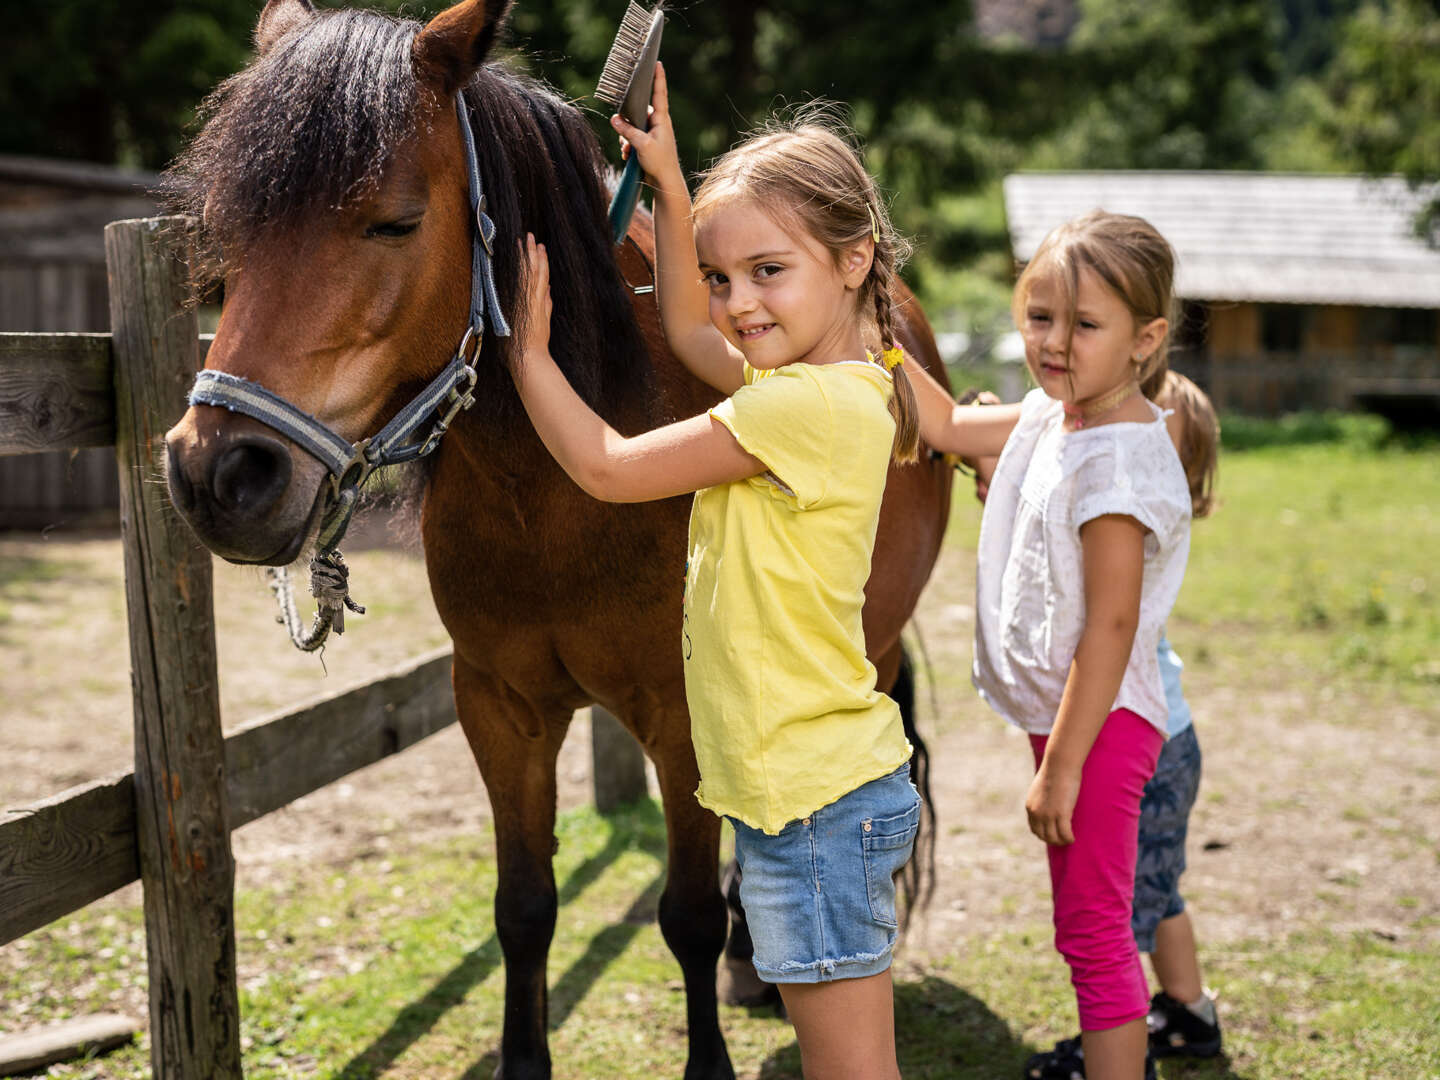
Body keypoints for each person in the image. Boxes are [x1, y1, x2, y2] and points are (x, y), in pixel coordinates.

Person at [511, 61, 921, 1079]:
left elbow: (606, 469)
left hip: (808, 806)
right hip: (828, 786)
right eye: (727, 274)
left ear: (858, 259)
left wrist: (527, 359)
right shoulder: (840, 388)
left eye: (769, 273)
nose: (738, 305)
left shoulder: (790, 410)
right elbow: (689, 330)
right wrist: (672, 185)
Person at [903, 210, 1193, 1080]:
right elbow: (950, 427)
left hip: (1099, 729)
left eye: (1084, 325)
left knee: (1096, 933)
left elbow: (1110, 627)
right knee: (1084, 928)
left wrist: (1064, 762)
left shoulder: (1115, 466)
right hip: (1074, 724)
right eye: (1040, 318)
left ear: (1146, 340)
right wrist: (872, 334)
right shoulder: (1050, 417)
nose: (1054, 344)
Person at [989, 371, 1223, 1077]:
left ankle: (1128, 1048)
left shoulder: (1124, 517)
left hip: (1139, 744)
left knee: (1116, 917)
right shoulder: (1118, 524)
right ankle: (1186, 1012)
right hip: (1171, 744)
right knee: (1157, 890)